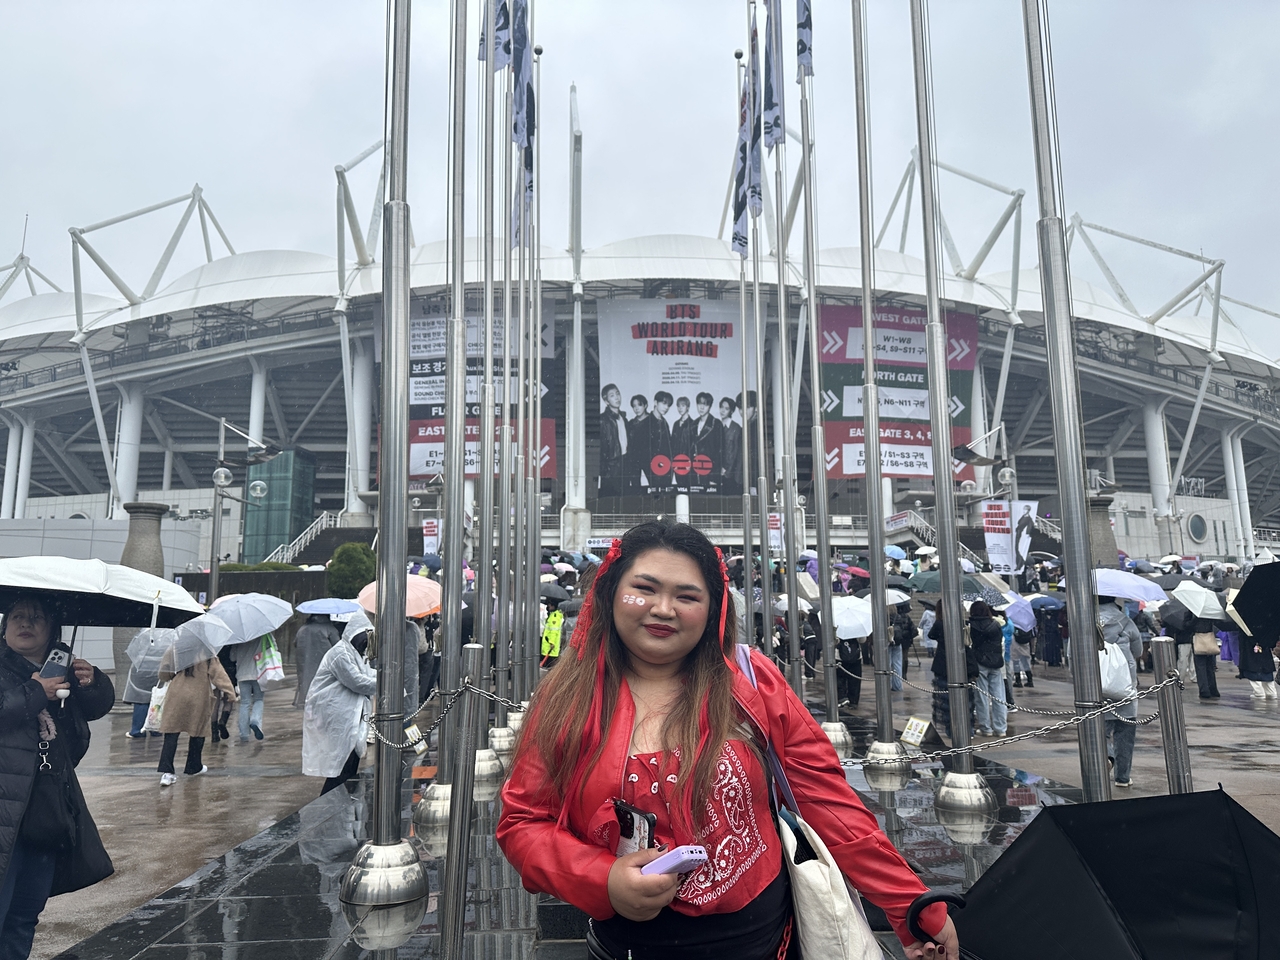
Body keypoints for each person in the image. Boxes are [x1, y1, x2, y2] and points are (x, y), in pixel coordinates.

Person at [497, 520, 959, 960]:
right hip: (631, 944)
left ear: (714, 607)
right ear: (611, 592)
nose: (664, 609)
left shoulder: (753, 683)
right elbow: (522, 823)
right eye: (645, 588)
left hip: (764, 939)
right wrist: (603, 880)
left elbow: (827, 799)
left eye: (687, 596)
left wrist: (911, 905)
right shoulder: (565, 699)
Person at [0, 596, 115, 959]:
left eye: (36, 618)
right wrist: (36, 691)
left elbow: (97, 708)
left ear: (52, 629)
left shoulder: (60, 669)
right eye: (17, 616)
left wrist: (91, 681)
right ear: (4, 627)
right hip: (5, 812)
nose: (25, 623)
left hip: (45, 809)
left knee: (24, 913)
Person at [303, 616, 377, 794]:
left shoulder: (355, 654)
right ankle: (328, 802)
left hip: (346, 715)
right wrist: (387, 681)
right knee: (340, 765)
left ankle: (340, 802)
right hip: (335, 714)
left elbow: (367, 675)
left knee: (349, 763)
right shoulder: (340, 654)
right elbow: (357, 681)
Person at [157, 642, 237, 785]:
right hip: (198, 695)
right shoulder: (206, 650)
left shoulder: (175, 649)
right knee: (198, 730)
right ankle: (194, 766)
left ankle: (167, 772)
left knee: (171, 732)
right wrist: (230, 692)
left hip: (176, 693)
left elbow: (164, 675)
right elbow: (218, 675)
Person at [1097, 597, 1140, 788]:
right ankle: (1123, 777)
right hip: (1125, 686)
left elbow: (1072, 655)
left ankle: (1107, 758)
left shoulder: (1086, 623)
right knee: (1125, 734)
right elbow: (1138, 651)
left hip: (1097, 687)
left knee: (1099, 732)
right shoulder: (1126, 621)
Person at [929, 612, 977, 741]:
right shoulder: (962, 623)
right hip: (962, 661)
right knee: (966, 700)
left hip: (944, 663)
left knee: (947, 701)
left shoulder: (940, 623)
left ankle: (951, 729)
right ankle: (968, 729)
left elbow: (931, 635)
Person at [968, 602, 1007, 737]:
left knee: (982, 697)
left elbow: (971, 643)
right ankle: (1001, 728)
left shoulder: (971, 626)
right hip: (995, 662)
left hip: (980, 661)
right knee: (999, 696)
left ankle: (986, 728)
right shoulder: (996, 625)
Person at [293, 613, 340, 708]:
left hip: (303, 659)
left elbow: (295, 642)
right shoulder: (329, 628)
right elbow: (337, 645)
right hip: (323, 659)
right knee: (323, 680)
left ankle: (303, 701)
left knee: (304, 679)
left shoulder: (303, 628)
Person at [229, 636, 268, 741]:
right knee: (259, 699)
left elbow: (232, 657)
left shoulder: (239, 637)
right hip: (260, 672)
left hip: (242, 674)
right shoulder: (264, 635)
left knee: (245, 702)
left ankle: (244, 734)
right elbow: (273, 649)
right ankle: (255, 721)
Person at [626, 395, 664, 491]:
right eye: (634, 406)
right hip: (634, 460)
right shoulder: (631, 423)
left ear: (645, 405)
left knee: (655, 486)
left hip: (649, 459)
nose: (637, 408)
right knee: (635, 487)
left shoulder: (653, 421)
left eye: (639, 405)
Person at [599, 383, 629, 497]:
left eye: (617, 393)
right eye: (612, 395)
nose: (617, 397)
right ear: (606, 401)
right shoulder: (602, 420)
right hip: (610, 466)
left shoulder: (623, 418)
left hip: (624, 463)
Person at [690, 392, 724, 487]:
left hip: (709, 472)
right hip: (694, 472)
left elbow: (720, 452)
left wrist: (714, 477)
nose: (701, 408)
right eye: (699, 404)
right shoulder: (693, 424)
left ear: (710, 406)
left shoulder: (716, 424)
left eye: (705, 404)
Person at [1238, 627, 1279, 699]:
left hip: (1250, 640)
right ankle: (1271, 692)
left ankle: (1259, 692)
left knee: (1252, 667)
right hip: (1265, 638)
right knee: (1266, 668)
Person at [718, 397, 743, 495]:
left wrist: (727, 470)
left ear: (731, 411)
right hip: (717, 473)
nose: (723, 410)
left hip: (730, 475)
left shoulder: (736, 429)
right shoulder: (716, 425)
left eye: (726, 408)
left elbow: (735, 452)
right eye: (721, 407)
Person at [889, 602, 917, 691]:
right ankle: (898, 685)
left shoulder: (886, 617)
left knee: (888, 663)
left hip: (888, 642)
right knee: (898, 663)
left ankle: (887, 684)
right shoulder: (899, 617)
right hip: (900, 641)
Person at [541, 600, 564, 667]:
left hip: (550, 649)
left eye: (549, 605)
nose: (548, 606)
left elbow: (554, 631)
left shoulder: (554, 617)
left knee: (549, 667)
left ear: (553, 605)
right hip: (548, 648)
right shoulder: (551, 615)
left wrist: (552, 642)